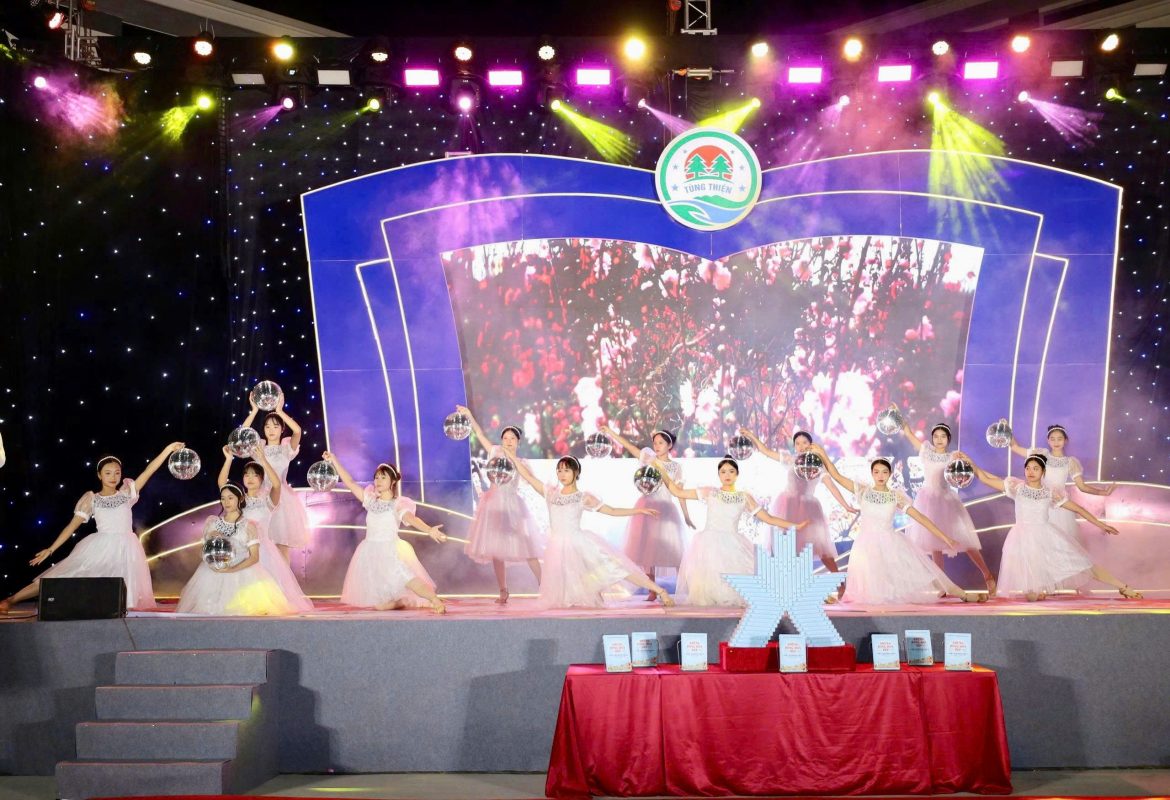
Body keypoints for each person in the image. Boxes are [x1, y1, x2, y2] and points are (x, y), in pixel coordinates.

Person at [0, 442, 184, 615]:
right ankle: (12, 599)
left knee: (123, 595)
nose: (113, 477)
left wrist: (168, 449)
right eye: (108, 473)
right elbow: (71, 526)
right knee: (63, 576)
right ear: (99, 475)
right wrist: (51, 549)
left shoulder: (127, 493)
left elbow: (149, 470)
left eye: (117, 473)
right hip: (101, 548)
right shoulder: (92, 499)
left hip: (127, 549)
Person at [809, 444, 982, 604]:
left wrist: (945, 538)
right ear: (872, 473)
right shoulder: (863, 490)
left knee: (927, 573)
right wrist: (822, 454)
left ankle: (962, 594)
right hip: (865, 546)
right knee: (872, 592)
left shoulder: (895, 496)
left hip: (891, 543)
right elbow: (836, 475)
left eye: (884, 472)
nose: (880, 476)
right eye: (877, 472)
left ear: (890, 474)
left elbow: (921, 518)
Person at [959, 450, 1141, 601]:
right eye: (1028, 468)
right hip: (1022, 538)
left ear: (1043, 471)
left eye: (1035, 468)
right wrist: (970, 463)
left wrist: (1101, 524)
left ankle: (1123, 587)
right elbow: (984, 478)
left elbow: (1078, 509)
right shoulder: (1017, 488)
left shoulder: (1051, 493)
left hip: (1047, 535)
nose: (1031, 472)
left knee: (1084, 565)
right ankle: (1038, 591)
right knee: (1031, 597)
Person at [507, 453, 674, 608]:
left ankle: (660, 590)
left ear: (576, 472)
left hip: (579, 544)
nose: (562, 474)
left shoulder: (583, 497)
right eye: (559, 470)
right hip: (557, 548)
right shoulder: (551, 493)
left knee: (618, 568)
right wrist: (512, 457)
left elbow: (611, 510)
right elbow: (528, 476)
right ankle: (593, 596)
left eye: (566, 470)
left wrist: (638, 511)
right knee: (569, 593)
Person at [657, 456, 807, 607]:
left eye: (731, 471)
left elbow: (768, 518)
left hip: (733, 544)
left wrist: (795, 526)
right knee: (708, 591)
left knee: (737, 587)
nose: (727, 475)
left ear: (737, 474)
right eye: (723, 472)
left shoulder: (744, 497)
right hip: (709, 544)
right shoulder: (710, 492)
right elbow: (677, 492)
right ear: (718, 475)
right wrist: (660, 469)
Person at [325, 452, 448, 614]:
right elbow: (350, 482)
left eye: (383, 477)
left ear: (393, 481)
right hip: (370, 550)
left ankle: (434, 600)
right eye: (376, 477)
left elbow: (411, 519)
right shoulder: (370, 500)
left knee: (405, 577)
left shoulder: (397, 504)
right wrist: (334, 460)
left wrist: (429, 530)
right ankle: (402, 600)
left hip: (389, 549)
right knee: (380, 606)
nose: (378, 481)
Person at [891, 407, 995, 595]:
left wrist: (965, 462)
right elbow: (908, 432)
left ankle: (987, 575)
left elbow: (964, 474)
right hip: (927, 500)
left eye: (943, 436)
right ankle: (943, 584)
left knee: (966, 542)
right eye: (936, 436)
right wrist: (898, 416)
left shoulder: (953, 457)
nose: (939, 439)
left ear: (948, 439)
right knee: (934, 544)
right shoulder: (926, 451)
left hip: (946, 502)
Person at [737, 426, 856, 577]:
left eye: (804, 442)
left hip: (809, 510)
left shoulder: (818, 465)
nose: (801, 446)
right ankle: (783, 581)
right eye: (797, 443)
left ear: (811, 444)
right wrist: (750, 435)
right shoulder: (790, 459)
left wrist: (846, 506)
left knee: (820, 548)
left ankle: (839, 581)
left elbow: (832, 486)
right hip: (787, 506)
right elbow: (765, 451)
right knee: (783, 545)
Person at [456, 404, 542, 604]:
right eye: (505, 438)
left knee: (527, 546)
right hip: (493, 505)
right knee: (496, 550)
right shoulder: (494, 452)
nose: (508, 441)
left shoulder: (521, 462)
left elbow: (531, 481)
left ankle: (544, 584)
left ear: (518, 442)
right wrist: (469, 415)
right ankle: (503, 590)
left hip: (512, 506)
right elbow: (479, 434)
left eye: (512, 438)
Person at [599, 424, 691, 601]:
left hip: (666, 510)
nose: (657, 446)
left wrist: (687, 516)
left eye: (661, 443)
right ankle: (652, 589)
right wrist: (610, 432)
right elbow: (630, 447)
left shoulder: (676, 467)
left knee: (674, 551)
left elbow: (680, 493)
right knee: (647, 550)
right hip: (647, 507)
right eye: (655, 443)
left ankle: (685, 587)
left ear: (669, 445)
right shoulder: (649, 459)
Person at [217, 445, 313, 612]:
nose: (250, 478)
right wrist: (228, 459)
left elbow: (277, 485)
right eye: (246, 474)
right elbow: (222, 484)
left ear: (262, 479)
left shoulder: (268, 501)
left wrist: (263, 460)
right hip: (241, 549)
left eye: (255, 475)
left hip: (264, 551)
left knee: (268, 596)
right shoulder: (239, 500)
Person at [176, 485, 294, 616]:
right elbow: (203, 553)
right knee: (208, 610)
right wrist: (211, 539)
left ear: (240, 499)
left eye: (230, 498)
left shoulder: (248, 526)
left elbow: (254, 557)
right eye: (223, 498)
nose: (226, 502)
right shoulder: (213, 523)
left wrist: (231, 569)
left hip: (242, 572)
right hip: (213, 573)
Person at [1010, 422, 1116, 544]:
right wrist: (1006, 431)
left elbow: (1082, 487)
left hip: (1060, 505)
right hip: (1039, 503)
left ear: (1066, 440)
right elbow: (1015, 447)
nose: (1056, 442)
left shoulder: (1070, 462)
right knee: (1038, 542)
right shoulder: (1041, 454)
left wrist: (1103, 492)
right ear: (1048, 441)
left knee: (1061, 544)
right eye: (1052, 439)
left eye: (1059, 439)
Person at [240, 390, 310, 561]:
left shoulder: (286, 448)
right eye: (267, 426)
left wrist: (279, 410)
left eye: (276, 426)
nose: (271, 430)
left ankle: (283, 578)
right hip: (260, 498)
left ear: (282, 429)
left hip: (281, 499)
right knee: (259, 543)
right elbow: (243, 434)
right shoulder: (259, 447)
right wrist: (254, 410)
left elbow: (297, 431)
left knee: (281, 545)